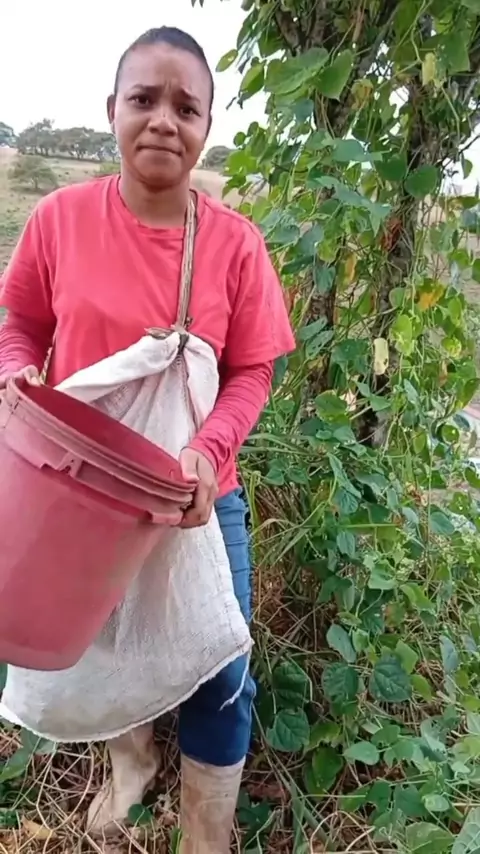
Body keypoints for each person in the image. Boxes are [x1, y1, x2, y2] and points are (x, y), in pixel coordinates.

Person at [0, 26, 295, 853]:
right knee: (98, 642)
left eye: (185, 106)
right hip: (78, 496)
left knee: (221, 670)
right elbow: (20, 323)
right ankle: (131, 761)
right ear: (113, 111)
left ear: (206, 127)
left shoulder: (234, 244)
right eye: (144, 99)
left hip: (197, 496)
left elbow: (253, 371)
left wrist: (210, 449)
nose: (164, 119)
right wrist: (17, 376)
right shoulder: (60, 220)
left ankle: (206, 831)